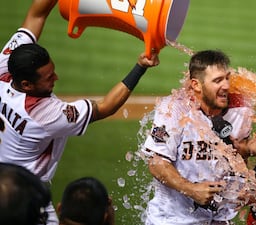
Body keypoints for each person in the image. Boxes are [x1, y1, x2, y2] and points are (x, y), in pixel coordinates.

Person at [0, 0, 159, 223]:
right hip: (25, 194)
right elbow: (105, 107)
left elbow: (36, 15)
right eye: (48, 78)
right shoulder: (44, 114)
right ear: (26, 84)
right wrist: (140, 66)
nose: (56, 78)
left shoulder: (7, 64)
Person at [141, 49, 253, 224]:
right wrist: (191, 189)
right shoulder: (173, 109)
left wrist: (240, 188)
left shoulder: (241, 111)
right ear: (196, 85)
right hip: (171, 220)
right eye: (217, 80)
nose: (226, 86)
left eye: (227, 78)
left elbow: (241, 160)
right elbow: (156, 164)